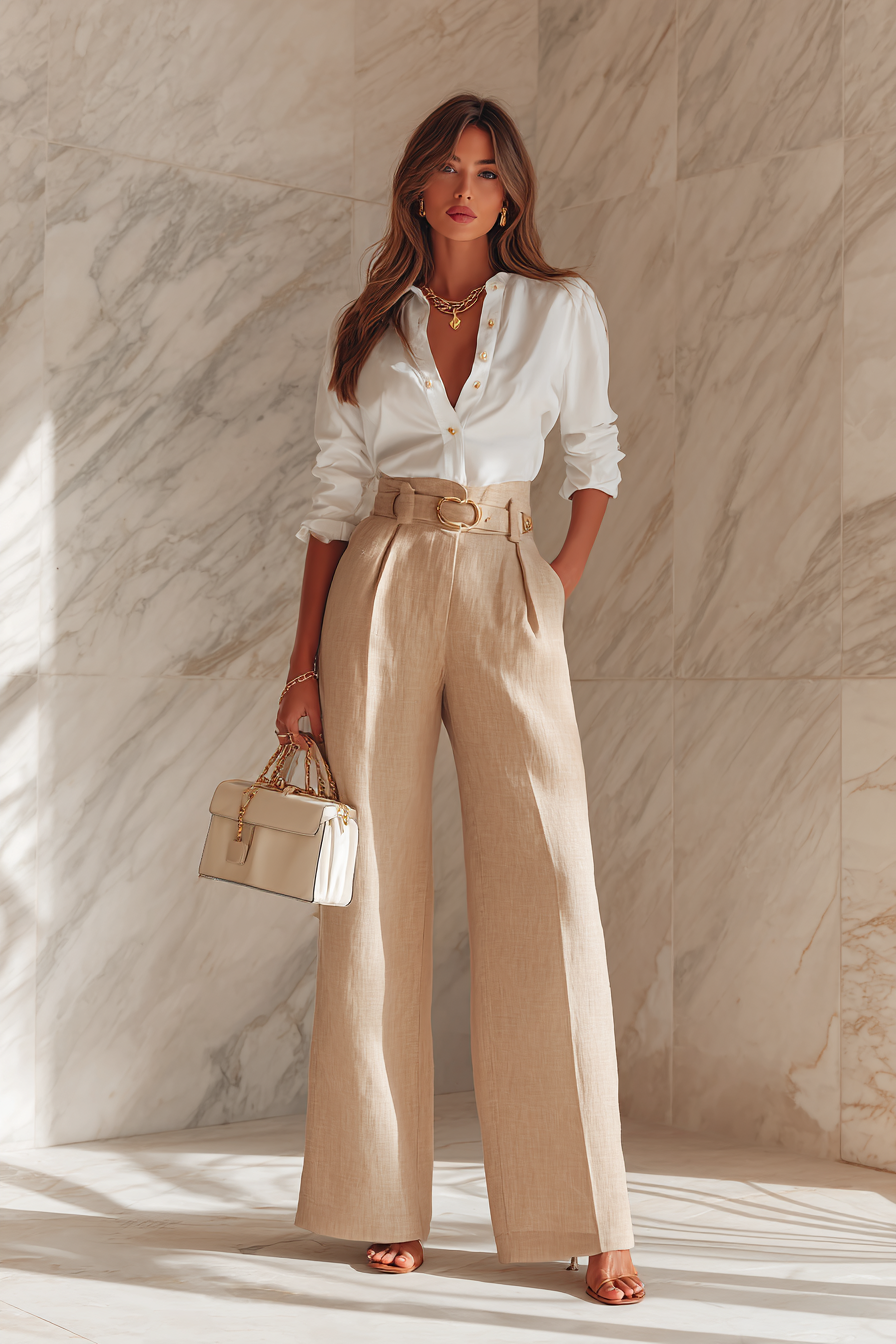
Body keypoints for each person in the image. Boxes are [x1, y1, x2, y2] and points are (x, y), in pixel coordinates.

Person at [277, 92, 644, 1307]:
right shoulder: (368, 325)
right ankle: (381, 1199)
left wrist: (550, 588)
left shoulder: (559, 310)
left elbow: (593, 460)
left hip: (503, 578)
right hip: (376, 583)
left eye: (485, 170)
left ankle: (588, 1215)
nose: (463, 186)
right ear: (415, 187)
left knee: (548, 884)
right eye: (444, 165)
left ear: (512, 192)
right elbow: (331, 504)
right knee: (369, 891)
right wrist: (296, 674)